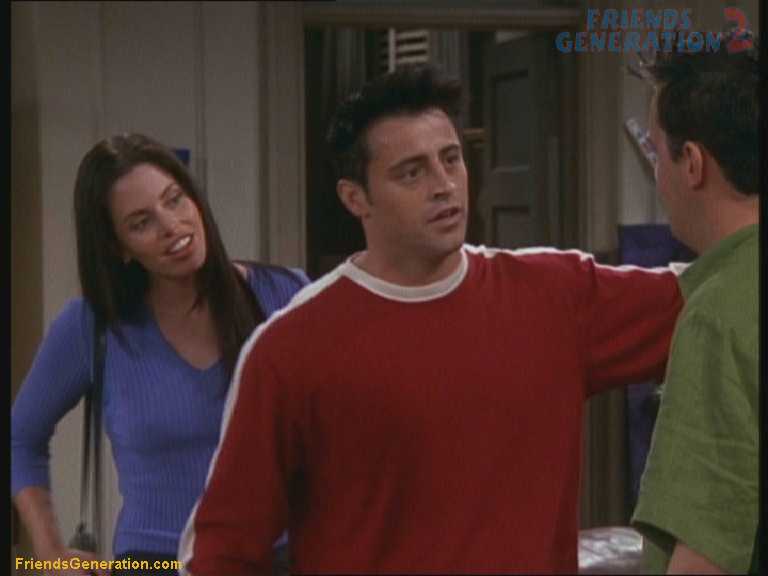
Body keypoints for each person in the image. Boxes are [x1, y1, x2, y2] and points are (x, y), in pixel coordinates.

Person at [179, 65, 685, 575]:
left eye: (451, 159)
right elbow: (223, 551)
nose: (444, 186)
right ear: (355, 198)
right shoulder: (290, 349)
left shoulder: (554, 295)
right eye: (412, 173)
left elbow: (711, 299)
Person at [11, 133, 308, 575]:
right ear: (118, 247)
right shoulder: (93, 326)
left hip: (278, 558)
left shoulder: (285, 294)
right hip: (154, 562)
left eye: (174, 199)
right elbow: (20, 438)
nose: (171, 226)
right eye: (141, 223)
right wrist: (48, 552)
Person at [630, 30, 760, 575]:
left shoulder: (719, 315)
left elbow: (706, 553)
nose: (656, 176)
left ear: (692, 164)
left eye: (655, 152)